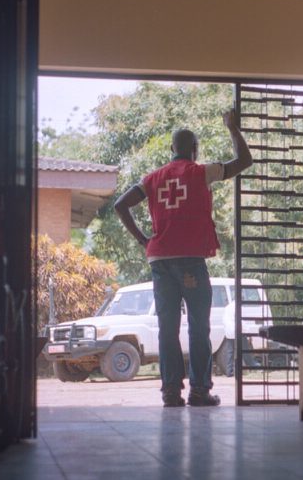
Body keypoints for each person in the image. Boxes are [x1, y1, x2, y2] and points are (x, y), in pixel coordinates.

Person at [114, 109, 252, 407]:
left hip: (160, 261)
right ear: (194, 149)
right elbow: (244, 162)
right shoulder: (202, 172)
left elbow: (120, 205)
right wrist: (232, 128)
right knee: (199, 326)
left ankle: (170, 392)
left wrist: (143, 240)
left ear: (170, 150)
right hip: (190, 260)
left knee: (167, 328)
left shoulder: (151, 179)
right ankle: (200, 391)